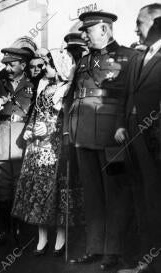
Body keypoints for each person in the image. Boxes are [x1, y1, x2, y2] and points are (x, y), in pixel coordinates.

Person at [63, 11, 137, 271]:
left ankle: (113, 252)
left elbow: (131, 98)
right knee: (92, 195)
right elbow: (71, 97)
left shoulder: (128, 57)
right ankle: (94, 248)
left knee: (114, 194)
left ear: (104, 30)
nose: (84, 35)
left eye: (88, 30)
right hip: (82, 134)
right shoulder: (84, 59)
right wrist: (68, 130)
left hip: (111, 137)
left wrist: (124, 127)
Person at [12, 48, 82, 256]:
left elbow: (70, 120)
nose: (44, 69)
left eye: (48, 66)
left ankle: (60, 239)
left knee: (57, 191)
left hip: (55, 147)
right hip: (36, 147)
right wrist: (30, 129)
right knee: (37, 190)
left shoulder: (68, 88)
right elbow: (36, 113)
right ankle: (42, 239)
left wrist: (51, 128)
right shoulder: (44, 85)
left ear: (59, 67)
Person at [115, 4, 161, 273]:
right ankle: (147, 262)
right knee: (142, 200)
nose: (135, 28)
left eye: (140, 22)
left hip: (155, 141)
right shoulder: (140, 57)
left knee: (155, 200)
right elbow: (129, 94)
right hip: (136, 139)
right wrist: (123, 124)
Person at [0, 47, 34, 246]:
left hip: (21, 137)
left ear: (23, 65)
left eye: (11, 64)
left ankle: (20, 230)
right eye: (5, 64)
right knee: (1, 186)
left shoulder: (33, 84)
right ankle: (3, 230)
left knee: (20, 183)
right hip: (0, 134)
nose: (7, 67)